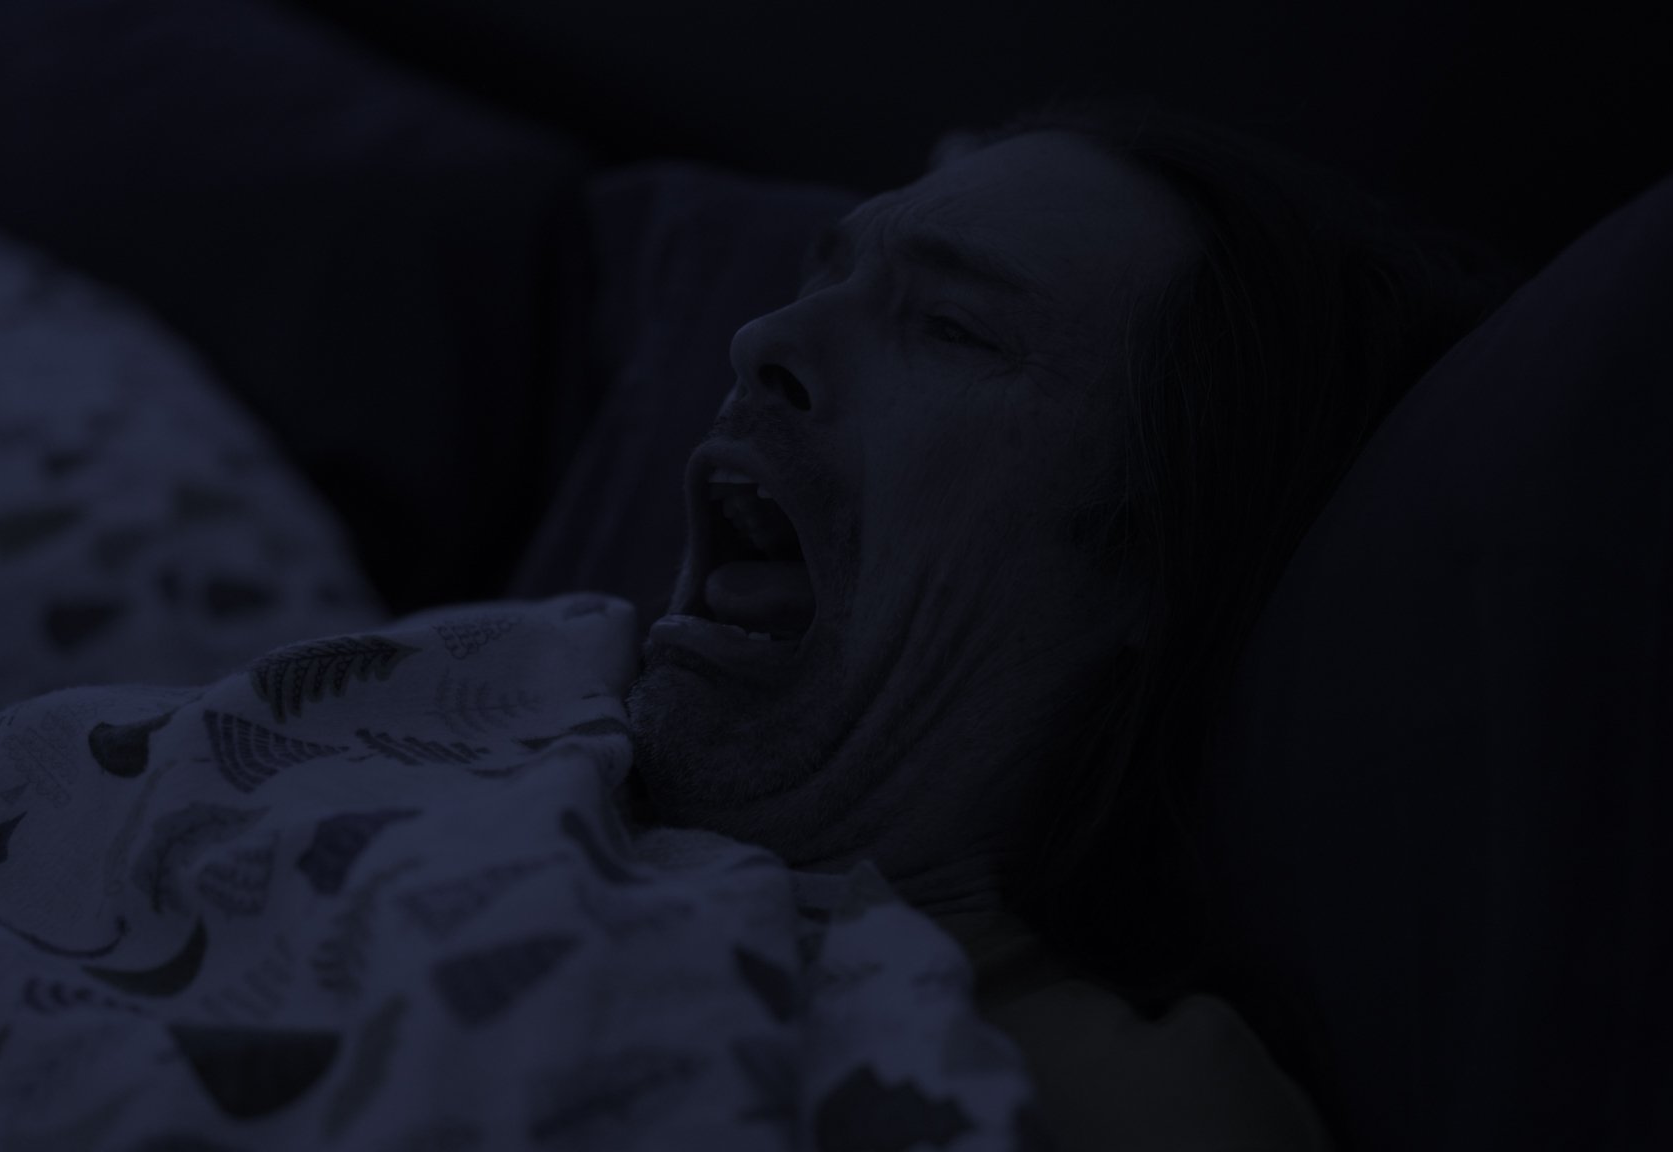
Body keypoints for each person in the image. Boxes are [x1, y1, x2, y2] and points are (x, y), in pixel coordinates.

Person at [622, 101, 1510, 1149]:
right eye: (821, 279)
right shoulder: (517, 675)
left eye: (952, 326)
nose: (759, 339)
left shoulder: (1109, 1107)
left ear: (1151, 559)